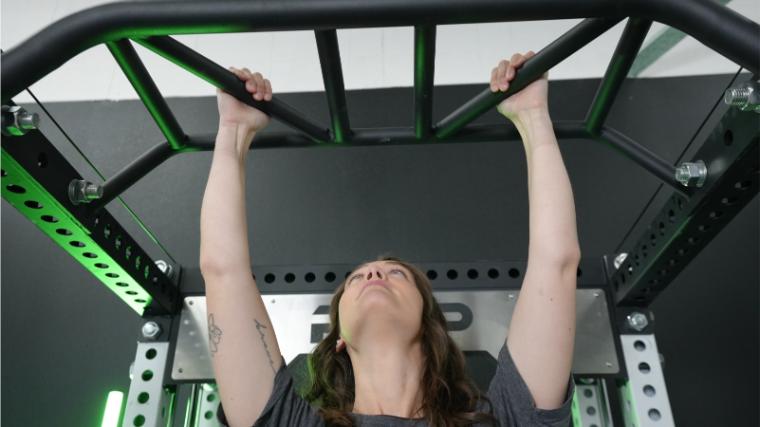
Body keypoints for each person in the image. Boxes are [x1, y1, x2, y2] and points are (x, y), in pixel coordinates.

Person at [200, 51, 580, 427]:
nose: (374, 274)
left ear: (430, 323)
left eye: (397, 275)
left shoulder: (501, 421)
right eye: (356, 279)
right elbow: (223, 273)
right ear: (339, 340)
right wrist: (233, 130)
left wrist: (533, 116)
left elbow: (557, 263)